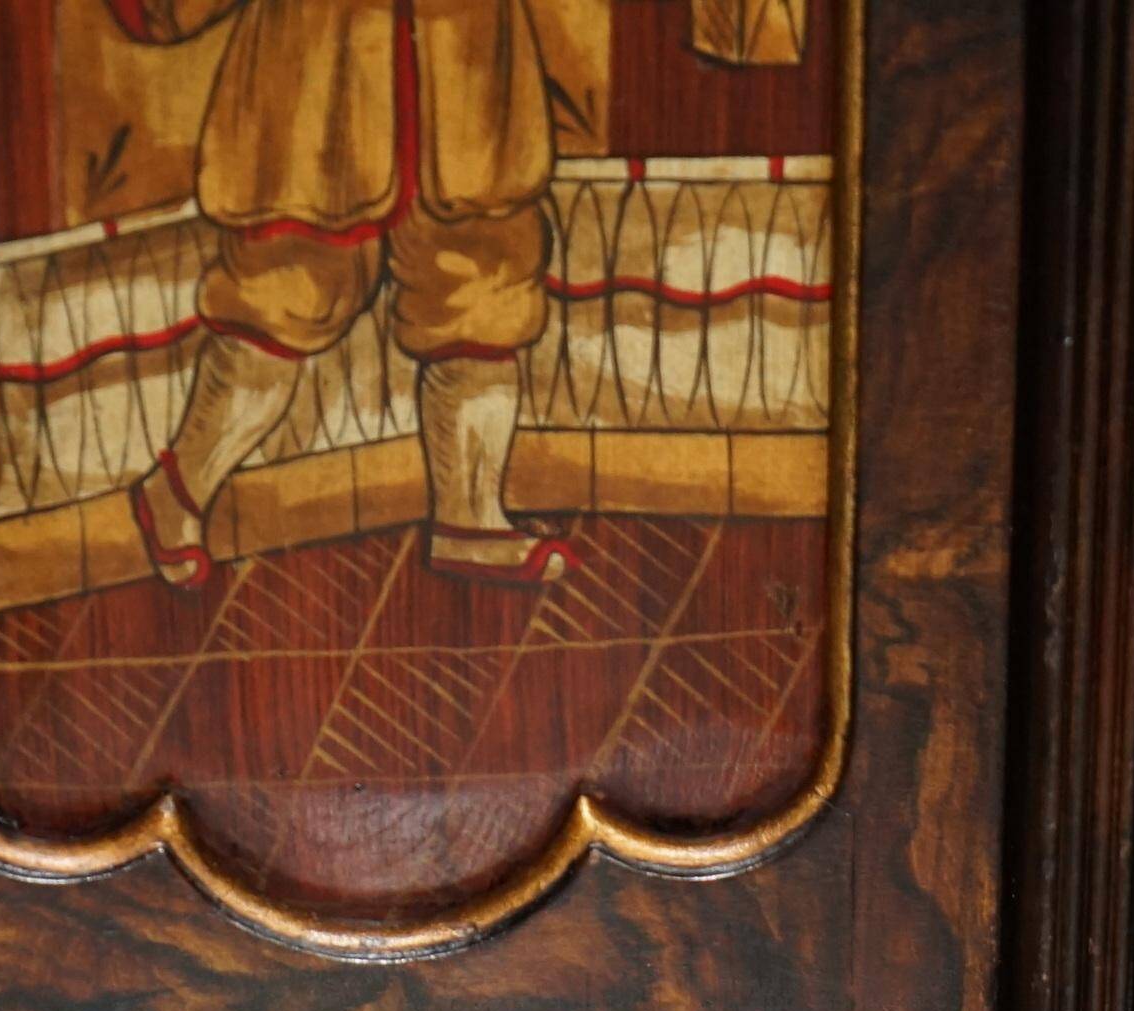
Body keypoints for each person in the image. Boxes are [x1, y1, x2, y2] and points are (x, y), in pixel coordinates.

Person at [105, 0, 804, 586]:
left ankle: (470, 517)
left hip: (470, 92)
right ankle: (174, 492)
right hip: (314, 101)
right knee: (278, 302)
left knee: (483, 296)